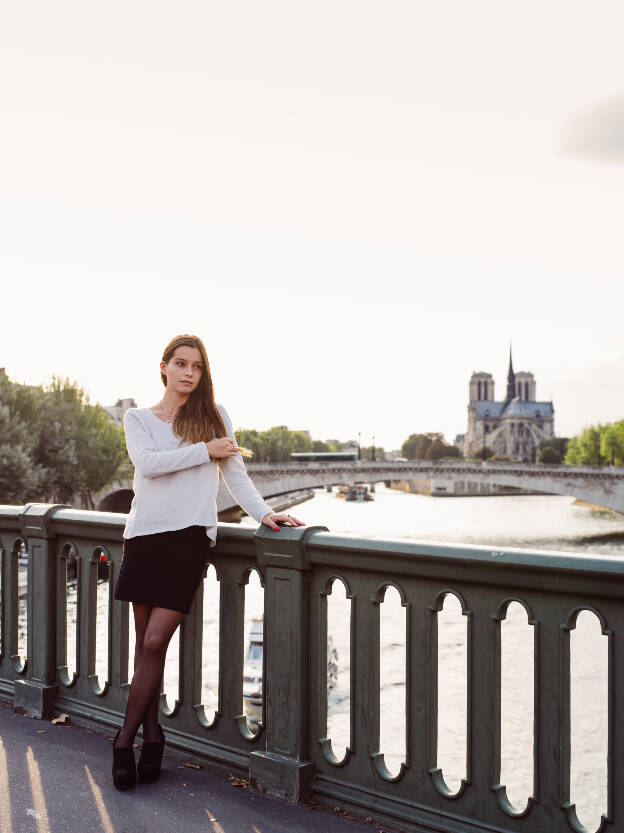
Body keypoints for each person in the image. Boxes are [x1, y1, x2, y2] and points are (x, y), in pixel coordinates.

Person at [111, 333, 304, 790]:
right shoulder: (137, 418)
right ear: (164, 368)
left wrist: (265, 513)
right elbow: (149, 464)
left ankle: (122, 741)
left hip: (187, 540)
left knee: (155, 643)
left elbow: (236, 476)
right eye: (180, 363)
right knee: (144, 650)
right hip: (144, 537)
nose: (188, 372)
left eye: (196, 366)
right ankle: (152, 735)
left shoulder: (215, 418)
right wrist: (205, 451)